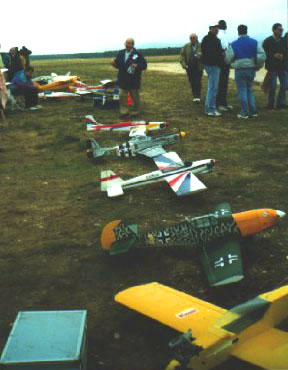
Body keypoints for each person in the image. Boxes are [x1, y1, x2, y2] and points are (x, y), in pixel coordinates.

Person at [226, 25, 266, 119]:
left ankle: (244, 112)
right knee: (249, 90)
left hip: (239, 69)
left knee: (242, 91)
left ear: (238, 32)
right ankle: (253, 111)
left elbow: (227, 59)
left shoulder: (234, 44)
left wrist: (232, 64)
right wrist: (257, 66)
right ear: (246, 31)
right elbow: (262, 55)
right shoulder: (255, 42)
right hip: (251, 68)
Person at [112, 38, 147, 117]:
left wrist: (137, 65)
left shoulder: (138, 54)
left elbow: (144, 66)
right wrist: (113, 63)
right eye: (126, 43)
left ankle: (135, 112)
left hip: (133, 80)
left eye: (129, 43)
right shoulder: (120, 53)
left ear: (132, 45)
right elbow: (118, 65)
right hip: (122, 80)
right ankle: (124, 112)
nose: (127, 45)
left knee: (135, 98)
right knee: (121, 96)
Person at [201, 22, 224, 116]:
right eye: (215, 28)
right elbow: (212, 53)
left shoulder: (209, 39)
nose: (217, 29)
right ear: (210, 28)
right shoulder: (211, 40)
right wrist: (221, 54)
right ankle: (211, 109)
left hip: (210, 65)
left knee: (212, 87)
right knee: (213, 88)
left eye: (217, 27)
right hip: (213, 65)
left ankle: (208, 108)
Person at [263, 23, 287, 109]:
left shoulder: (284, 40)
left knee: (284, 85)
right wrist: (273, 55)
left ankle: (280, 103)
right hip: (272, 67)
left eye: (282, 30)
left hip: (283, 67)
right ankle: (270, 104)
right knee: (272, 87)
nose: (281, 31)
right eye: (280, 30)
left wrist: (283, 56)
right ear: (274, 30)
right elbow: (263, 53)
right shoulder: (267, 41)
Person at [179, 33, 203, 102]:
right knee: (192, 81)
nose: (192, 39)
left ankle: (197, 96)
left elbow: (206, 54)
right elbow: (181, 55)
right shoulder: (186, 46)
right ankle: (194, 95)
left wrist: (201, 56)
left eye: (194, 38)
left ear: (197, 38)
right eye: (191, 38)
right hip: (189, 67)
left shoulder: (201, 46)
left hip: (198, 67)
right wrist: (184, 64)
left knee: (198, 81)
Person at [216, 20, 232, 111]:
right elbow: (226, 49)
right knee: (223, 83)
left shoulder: (218, 35)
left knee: (220, 83)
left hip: (218, 63)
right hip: (224, 63)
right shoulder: (224, 36)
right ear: (225, 27)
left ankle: (222, 103)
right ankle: (221, 104)